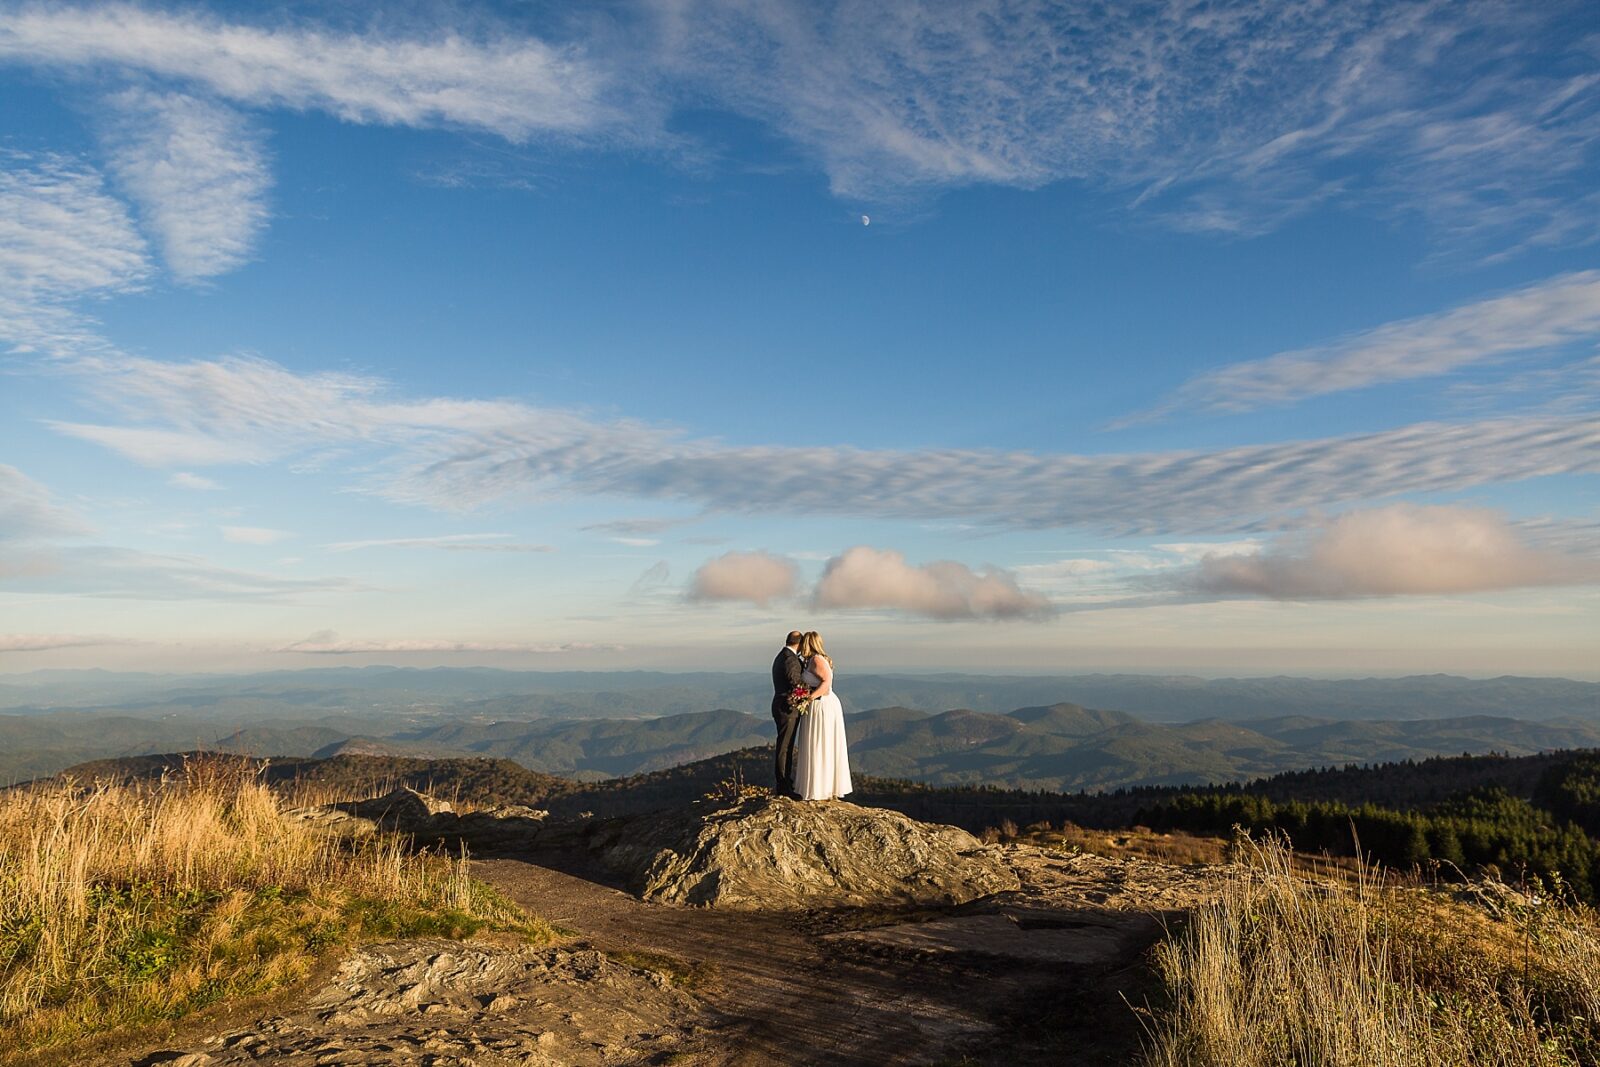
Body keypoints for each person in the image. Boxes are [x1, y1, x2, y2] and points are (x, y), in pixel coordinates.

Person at [791, 630, 852, 801]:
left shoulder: (817, 660)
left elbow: (826, 683)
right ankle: (819, 787)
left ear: (809, 644)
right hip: (818, 705)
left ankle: (821, 789)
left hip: (822, 705)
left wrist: (808, 698)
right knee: (818, 744)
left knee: (819, 744)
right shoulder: (812, 660)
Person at [769, 630, 806, 797]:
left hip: (781, 704)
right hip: (786, 707)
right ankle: (783, 786)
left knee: (786, 746)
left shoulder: (782, 656)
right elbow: (795, 683)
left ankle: (785, 782)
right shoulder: (790, 659)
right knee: (785, 747)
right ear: (799, 643)